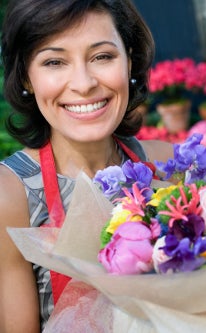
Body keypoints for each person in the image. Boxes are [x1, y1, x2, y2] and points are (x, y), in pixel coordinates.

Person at [0, 1, 174, 331]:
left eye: (102, 56)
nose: (83, 83)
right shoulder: (10, 195)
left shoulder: (165, 165)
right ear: (26, 75)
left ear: (129, 60)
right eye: (54, 62)